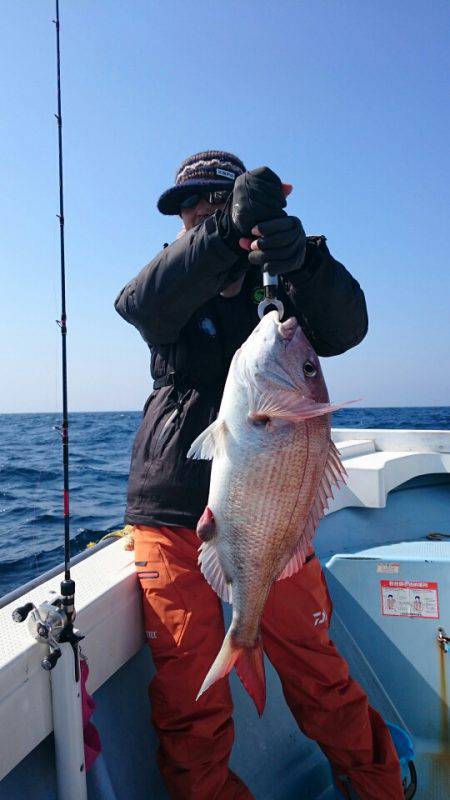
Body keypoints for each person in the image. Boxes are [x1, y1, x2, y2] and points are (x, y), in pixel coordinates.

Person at [115, 151, 404, 800]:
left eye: (217, 200)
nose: (200, 212)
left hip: (273, 513)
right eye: (192, 205)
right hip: (172, 510)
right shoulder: (174, 278)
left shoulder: (280, 278)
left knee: (321, 681)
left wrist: (304, 261)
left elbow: (345, 327)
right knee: (191, 702)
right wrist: (222, 236)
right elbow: (138, 306)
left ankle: (384, 788)